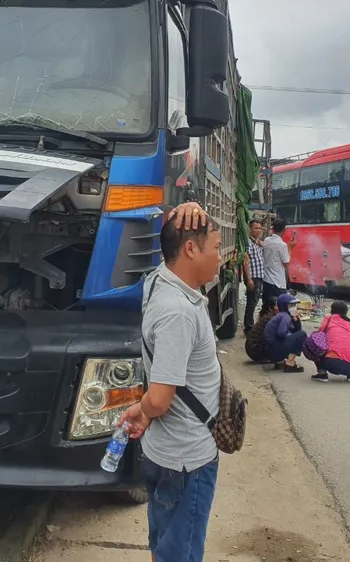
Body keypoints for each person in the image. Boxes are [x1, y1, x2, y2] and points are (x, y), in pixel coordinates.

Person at [118, 203, 222, 562]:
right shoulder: (177, 311)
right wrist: (143, 408)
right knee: (180, 554)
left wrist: (190, 204)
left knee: (165, 546)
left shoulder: (158, 280)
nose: (220, 257)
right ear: (191, 250)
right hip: (186, 462)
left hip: (166, 453)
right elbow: (160, 399)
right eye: (216, 248)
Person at [311, 301, 350, 382]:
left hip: (332, 363)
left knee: (315, 343)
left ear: (332, 310)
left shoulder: (329, 318)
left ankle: (322, 373)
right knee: (348, 348)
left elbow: (320, 332)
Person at [264, 293, 306, 373]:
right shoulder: (285, 316)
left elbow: (296, 331)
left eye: (294, 305)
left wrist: (296, 321)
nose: (294, 308)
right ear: (284, 306)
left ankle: (281, 362)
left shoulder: (283, 315)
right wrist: (292, 337)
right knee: (303, 334)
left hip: (271, 350)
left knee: (299, 335)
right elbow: (281, 334)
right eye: (291, 305)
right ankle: (290, 363)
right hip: (274, 349)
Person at [262, 218, 295, 310]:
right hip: (278, 282)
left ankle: (263, 323)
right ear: (284, 230)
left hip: (267, 280)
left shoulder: (267, 240)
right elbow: (286, 264)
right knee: (280, 308)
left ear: (273, 228)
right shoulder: (282, 245)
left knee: (266, 307)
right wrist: (290, 248)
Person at [243, 219, 265, 334]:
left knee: (254, 302)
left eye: (260, 228)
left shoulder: (256, 242)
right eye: (256, 228)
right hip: (254, 277)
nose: (258, 230)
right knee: (251, 303)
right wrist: (249, 279)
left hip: (259, 277)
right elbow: (246, 261)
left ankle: (249, 326)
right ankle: (249, 328)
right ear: (250, 229)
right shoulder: (249, 243)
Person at [245, 297, 277, 363]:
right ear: (270, 308)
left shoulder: (267, 315)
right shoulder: (270, 318)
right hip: (255, 351)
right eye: (277, 305)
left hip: (252, 349)